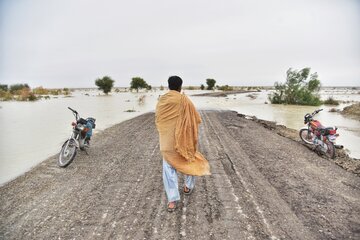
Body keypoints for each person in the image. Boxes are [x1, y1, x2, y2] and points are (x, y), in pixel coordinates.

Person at [155, 76, 211, 212]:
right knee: (189, 159)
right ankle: (188, 187)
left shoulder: (161, 100)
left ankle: (172, 201)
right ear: (180, 87)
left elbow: (158, 119)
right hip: (183, 140)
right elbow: (195, 118)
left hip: (167, 141)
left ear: (168, 86)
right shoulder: (184, 100)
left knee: (168, 170)